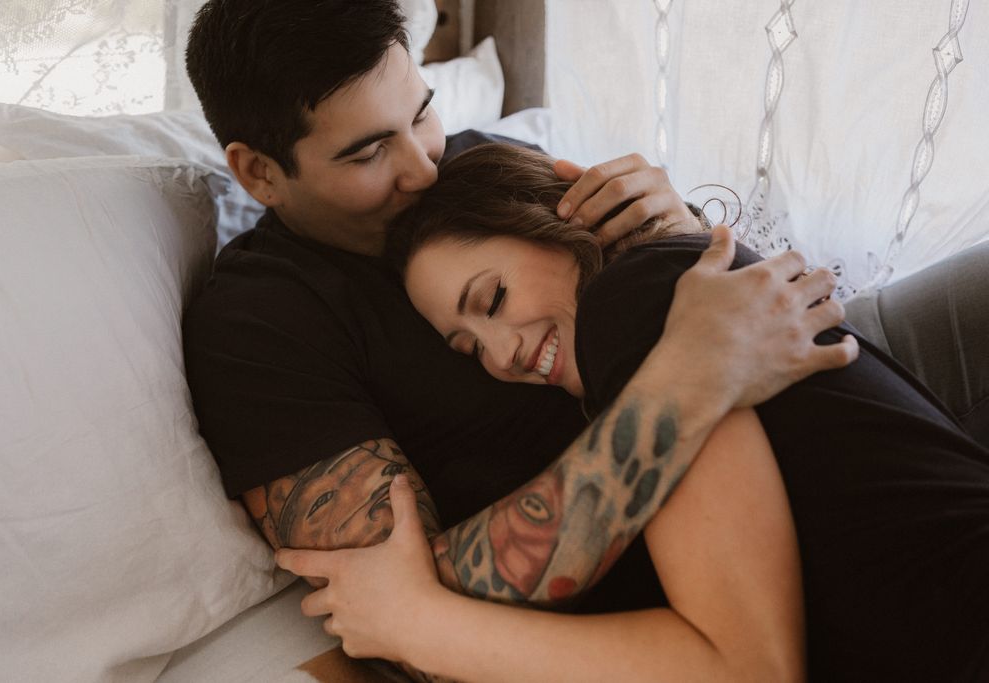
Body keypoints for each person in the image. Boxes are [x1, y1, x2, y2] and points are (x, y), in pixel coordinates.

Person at [179, 0, 986, 680]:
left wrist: (678, 232)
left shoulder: (477, 166)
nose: (424, 167)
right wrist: (683, 376)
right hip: (768, 477)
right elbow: (391, 609)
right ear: (257, 173)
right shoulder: (259, 323)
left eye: (421, 112)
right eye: (366, 151)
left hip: (822, 358)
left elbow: (635, 284)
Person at [286, 142, 989, 682]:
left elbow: (746, 670)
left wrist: (421, 625)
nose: (501, 355)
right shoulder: (664, 316)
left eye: (492, 298)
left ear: (556, 213)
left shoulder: (630, 301)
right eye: (469, 349)